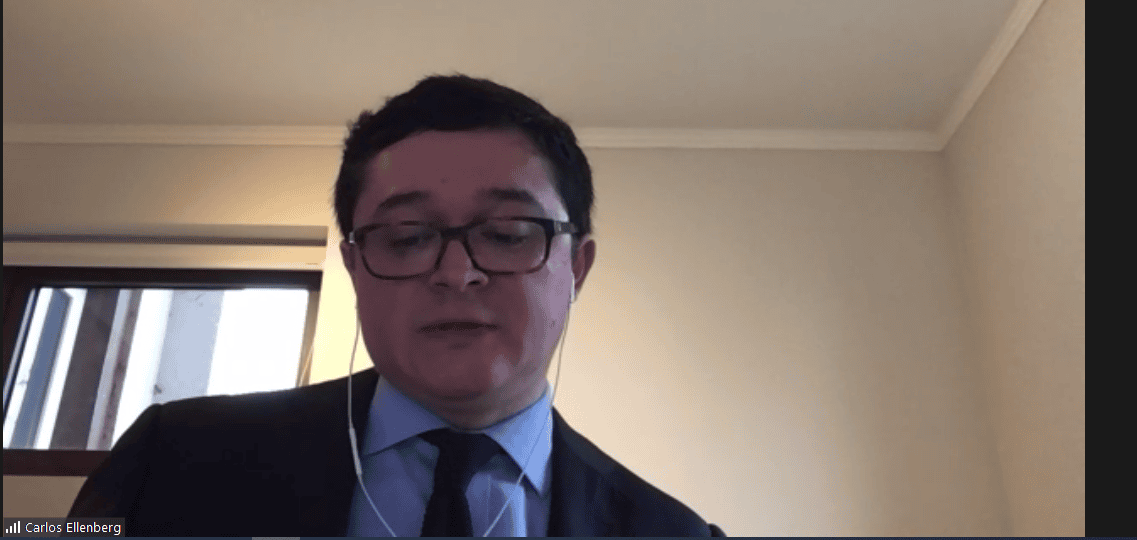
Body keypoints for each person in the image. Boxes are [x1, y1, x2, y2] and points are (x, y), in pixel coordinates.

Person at [68, 75, 724, 537]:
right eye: (407, 237)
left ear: (576, 267)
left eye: (506, 233)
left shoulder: (676, 532)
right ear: (355, 266)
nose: (456, 273)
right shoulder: (172, 459)